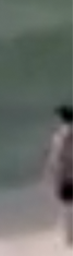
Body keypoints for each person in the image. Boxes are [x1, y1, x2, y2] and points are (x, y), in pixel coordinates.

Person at [43, 104, 73, 246]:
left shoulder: (62, 134)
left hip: (65, 173)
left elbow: (57, 155)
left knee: (66, 204)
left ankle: (68, 235)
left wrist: (51, 171)